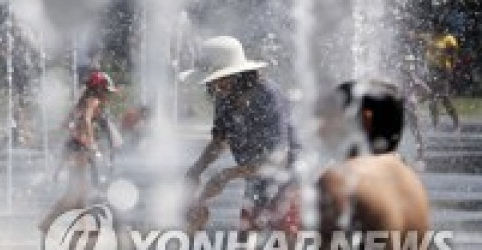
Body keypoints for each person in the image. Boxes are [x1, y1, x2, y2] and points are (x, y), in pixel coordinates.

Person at [184, 36, 299, 238]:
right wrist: (196, 169)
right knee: (246, 238)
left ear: (238, 75)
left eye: (218, 79)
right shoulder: (224, 97)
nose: (213, 87)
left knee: (282, 238)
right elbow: (219, 141)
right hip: (256, 180)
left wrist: (225, 175)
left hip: (288, 180)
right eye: (211, 81)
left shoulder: (267, 96)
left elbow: (277, 157)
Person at [315, 80, 430, 246]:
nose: (322, 125)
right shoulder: (412, 184)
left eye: (333, 114)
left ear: (365, 119)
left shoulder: (342, 181)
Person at [40, 71, 117, 232]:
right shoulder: (93, 101)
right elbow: (87, 119)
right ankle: (50, 223)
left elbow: (65, 123)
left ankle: (80, 227)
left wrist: (76, 133)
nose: (107, 96)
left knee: (79, 192)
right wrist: (92, 142)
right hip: (79, 150)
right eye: (106, 91)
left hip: (74, 148)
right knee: (75, 193)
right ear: (98, 89)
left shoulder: (82, 102)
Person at [424, 29, 461, 130]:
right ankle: (435, 123)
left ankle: (456, 121)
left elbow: (454, 54)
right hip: (432, 70)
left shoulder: (448, 39)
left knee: (444, 98)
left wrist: (451, 67)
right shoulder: (431, 37)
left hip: (443, 70)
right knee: (432, 98)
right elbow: (419, 37)